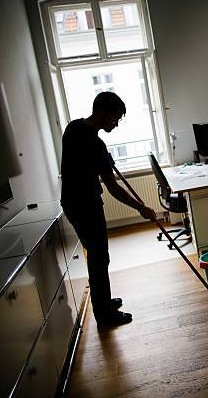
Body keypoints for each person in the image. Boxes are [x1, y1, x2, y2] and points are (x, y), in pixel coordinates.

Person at [60, 92, 156, 325]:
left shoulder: (73, 128)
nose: (116, 123)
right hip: (86, 205)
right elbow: (113, 188)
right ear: (102, 113)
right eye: (115, 118)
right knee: (99, 257)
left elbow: (82, 161)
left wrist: (104, 160)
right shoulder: (96, 144)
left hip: (72, 202)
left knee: (97, 256)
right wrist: (141, 208)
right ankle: (104, 314)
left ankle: (103, 302)